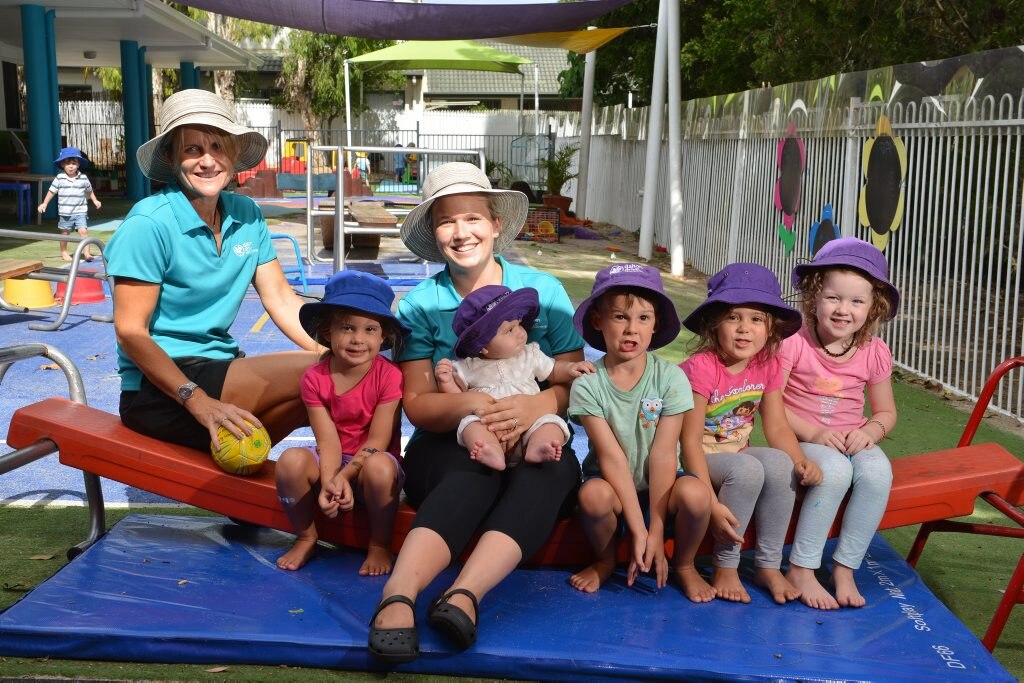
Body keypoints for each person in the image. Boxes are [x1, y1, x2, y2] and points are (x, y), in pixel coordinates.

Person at [368, 162, 584, 663]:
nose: (461, 233)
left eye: (472, 219)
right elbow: (420, 406)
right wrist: (472, 405)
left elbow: (574, 380)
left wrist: (536, 406)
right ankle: (397, 595)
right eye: (447, 221)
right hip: (450, 442)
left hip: (535, 432)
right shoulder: (421, 304)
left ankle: (465, 594)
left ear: (495, 225)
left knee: (548, 468)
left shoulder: (542, 291)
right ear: (433, 233)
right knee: (471, 475)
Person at [104, 88, 321, 455]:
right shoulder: (149, 223)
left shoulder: (247, 215)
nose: (208, 161)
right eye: (193, 149)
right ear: (173, 157)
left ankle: (251, 485)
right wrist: (197, 400)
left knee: (334, 378)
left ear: (234, 156)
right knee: (320, 375)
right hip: (159, 389)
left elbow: (282, 299)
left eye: (218, 147)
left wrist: (338, 351)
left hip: (220, 368)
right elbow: (130, 333)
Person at [568, 263, 714, 602]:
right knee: (593, 497)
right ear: (598, 321)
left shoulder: (671, 378)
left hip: (662, 487)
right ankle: (605, 560)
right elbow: (611, 457)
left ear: (655, 325)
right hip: (613, 488)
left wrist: (657, 529)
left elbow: (664, 453)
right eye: (620, 317)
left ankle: (686, 565)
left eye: (643, 318)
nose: (631, 329)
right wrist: (638, 528)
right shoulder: (588, 385)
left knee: (696, 494)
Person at [680, 263, 823, 604]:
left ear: (770, 328)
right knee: (746, 468)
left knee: (777, 463)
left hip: (735, 455)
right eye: (734, 318)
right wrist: (711, 502)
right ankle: (725, 564)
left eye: (756, 319)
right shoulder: (701, 367)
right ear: (715, 324)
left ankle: (768, 564)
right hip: (694, 462)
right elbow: (687, 442)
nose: (745, 329)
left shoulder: (767, 363)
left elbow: (775, 426)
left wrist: (801, 461)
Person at [780, 237, 899, 609]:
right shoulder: (793, 340)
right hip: (802, 436)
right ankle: (801, 567)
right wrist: (814, 432)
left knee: (878, 473)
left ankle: (845, 566)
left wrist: (870, 432)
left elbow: (886, 412)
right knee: (832, 471)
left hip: (852, 438)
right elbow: (772, 405)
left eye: (857, 301)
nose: (843, 309)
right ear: (814, 297)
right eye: (833, 297)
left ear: (873, 307)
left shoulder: (873, 351)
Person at [275, 270, 410, 576]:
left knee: (379, 468)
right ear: (327, 331)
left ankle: (379, 543)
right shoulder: (314, 378)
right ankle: (307, 536)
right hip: (333, 460)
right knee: (290, 462)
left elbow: (377, 443)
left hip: (373, 465)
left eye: (370, 329)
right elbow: (327, 441)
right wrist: (330, 481)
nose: (358, 339)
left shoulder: (389, 377)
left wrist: (346, 476)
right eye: (347, 327)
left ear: (384, 335)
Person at [435, 284, 594, 471]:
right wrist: (445, 381)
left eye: (519, 324)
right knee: (469, 424)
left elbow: (553, 370)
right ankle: (489, 449)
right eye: (509, 330)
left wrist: (571, 368)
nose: (520, 333)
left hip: (531, 423)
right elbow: (457, 398)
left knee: (552, 423)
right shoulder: (468, 366)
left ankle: (539, 446)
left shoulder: (530, 354)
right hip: (491, 427)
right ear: (482, 345)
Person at [38, 147, 102, 262]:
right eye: (68, 164)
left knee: (83, 231)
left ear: (78, 165)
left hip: (80, 211)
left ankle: (86, 253)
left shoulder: (83, 178)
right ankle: (64, 252)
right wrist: (45, 203)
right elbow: (52, 191)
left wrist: (95, 200)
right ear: (62, 165)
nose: (71, 166)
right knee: (65, 233)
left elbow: (89, 190)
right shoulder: (60, 178)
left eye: (74, 163)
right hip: (65, 211)